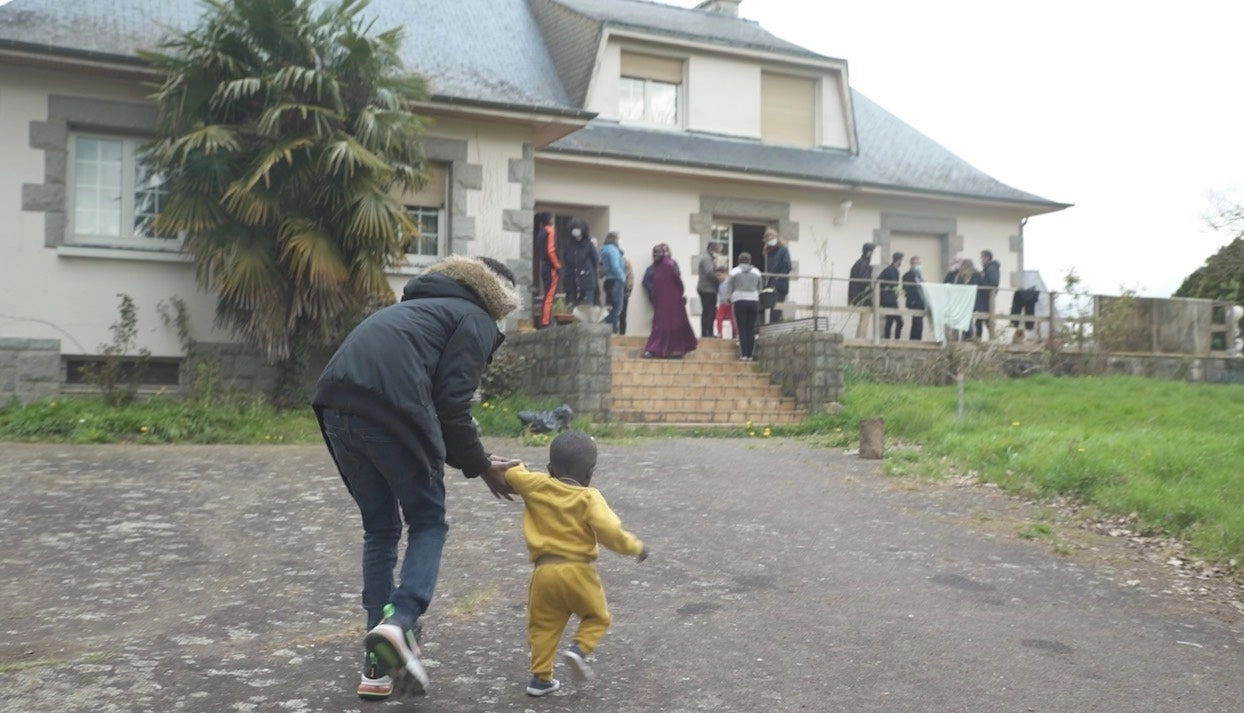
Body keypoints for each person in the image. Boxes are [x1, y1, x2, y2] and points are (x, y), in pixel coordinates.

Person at [312, 255, 521, 700]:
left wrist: (472, 460)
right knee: (428, 522)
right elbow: (452, 403)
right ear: (499, 298)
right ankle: (401, 620)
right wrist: (481, 465)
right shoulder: (475, 317)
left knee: (381, 529)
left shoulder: (409, 309)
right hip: (390, 412)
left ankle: (377, 667)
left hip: (335, 406)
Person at [501, 431, 648, 697]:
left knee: (543, 626)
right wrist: (635, 547)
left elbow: (512, 474)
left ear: (550, 469)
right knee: (597, 617)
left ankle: (540, 678)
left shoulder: (536, 484)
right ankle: (578, 650)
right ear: (590, 473)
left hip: (544, 573)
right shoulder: (590, 497)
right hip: (579, 571)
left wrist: (517, 465)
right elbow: (610, 532)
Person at [643, 243, 698, 358]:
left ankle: (675, 351)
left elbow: (678, 282)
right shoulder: (655, 268)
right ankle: (656, 349)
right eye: (654, 252)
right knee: (661, 325)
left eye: (658, 252)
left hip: (672, 302)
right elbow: (648, 282)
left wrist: (677, 295)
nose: (655, 255)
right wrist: (654, 293)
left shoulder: (669, 265)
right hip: (661, 301)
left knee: (672, 324)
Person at [728, 251, 764, 361]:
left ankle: (744, 355)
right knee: (751, 328)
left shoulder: (734, 272)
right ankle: (750, 355)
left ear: (739, 261)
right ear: (750, 261)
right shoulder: (757, 272)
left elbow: (730, 287)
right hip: (753, 300)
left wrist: (730, 298)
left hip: (739, 300)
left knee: (742, 328)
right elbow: (760, 288)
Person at [563, 218, 600, 321]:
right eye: (574, 228)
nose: (576, 231)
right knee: (572, 304)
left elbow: (595, 260)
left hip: (587, 279)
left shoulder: (588, 244)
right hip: (572, 279)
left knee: (588, 304)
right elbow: (566, 259)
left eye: (578, 228)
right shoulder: (569, 245)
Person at [599, 232, 626, 334]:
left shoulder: (603, 250)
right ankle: (613, 331)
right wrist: (622, 277)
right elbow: (615, 266)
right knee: (617, 308)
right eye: (619, 239)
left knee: (609, 308)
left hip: (608, 280)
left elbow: (602, 266)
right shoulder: (613, 250)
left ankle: (607, 330)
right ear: (615, 239)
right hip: (616, 281)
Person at [536, 213, 560, 328]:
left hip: (543, 265)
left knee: (546, 294)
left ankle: (544, 319)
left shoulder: (541, 232)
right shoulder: (551, 231)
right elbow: (551, 250)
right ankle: (545, 321)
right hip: (551, 267)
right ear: (550, 220)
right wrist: (558, 265)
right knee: (550, 295)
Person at [763, 230, 791, 323]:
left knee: (776, 309)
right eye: (768, 238)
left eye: (771, 237)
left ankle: (775, 329)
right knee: (771, 307)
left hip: (780, 284)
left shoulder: (783, 249)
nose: (769, 239)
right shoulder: (769, 252)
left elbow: (787, 265)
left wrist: (778, 276)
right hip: (771, 285)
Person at [950, 258, 983, 340]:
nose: (964, 268)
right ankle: (956, 338)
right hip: (960, 301)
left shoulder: (976, 275)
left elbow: (978, 285)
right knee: (958, 320)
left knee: (968, 320)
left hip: (970, 301)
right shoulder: (959, 275)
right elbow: (952, 283)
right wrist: (952, 269)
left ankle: (968, 338)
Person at [697, 241, 724, 338]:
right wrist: (720, 277)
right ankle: (708, 333)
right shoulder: (707, 259)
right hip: (707, 289)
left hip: (707, 288)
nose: (719, 252)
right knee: (709, 312)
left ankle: (706, 333)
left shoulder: (709, 259)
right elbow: (709, 272)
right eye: (718, 250)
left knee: (707, 311)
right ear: (712, 249)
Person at [848, 242, 875, 339]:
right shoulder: (864, 264)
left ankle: (858, 337)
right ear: (869, 252)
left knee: (862, 319)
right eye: (872, 252)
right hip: (862, 297)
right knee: (865, 319)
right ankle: (861, 338)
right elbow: (864, 281)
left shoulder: (859, 263)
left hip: (857, 296)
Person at [878, 251, 904, 340]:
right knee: (899, 322)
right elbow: (894, 285)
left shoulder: (889, 269)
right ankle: (895, 340)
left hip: (888, 298)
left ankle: (887, 339)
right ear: (898, 260)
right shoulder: (892, 270)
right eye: (901, 260)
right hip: (890, 298)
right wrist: (901, 293)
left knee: (890, 321)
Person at [977, 250, 1001, 340]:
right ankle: (992, 338)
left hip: (987, 297)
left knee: (983, 320)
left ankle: (980, 339)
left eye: (982, 257)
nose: (981, 259)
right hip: (985, 297)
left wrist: (981, 277)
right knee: (984, 320)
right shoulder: (988, 268)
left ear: (987, 257)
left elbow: (993, 283)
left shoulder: (992, 268)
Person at [902, 255, 925, 341]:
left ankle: (918, 339)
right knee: (916, 323)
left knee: (919, 323)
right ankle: (914, 340)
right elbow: (906, 289)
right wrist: (912, 301)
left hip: (921, 302)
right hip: (914, 302)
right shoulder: (907, 275)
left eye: (919, 263)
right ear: (911, 264)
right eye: (916, 263)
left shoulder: (919, 276)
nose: (918, 265)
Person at [713, 265, 736, 339]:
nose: (718, 277)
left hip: (729, 303)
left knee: (732, 319)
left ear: (724, 273)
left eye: (719, 275)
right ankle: (719, 333)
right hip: (722, 303)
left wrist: (731, 299)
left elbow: (732, 291)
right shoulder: (720, 283)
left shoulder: (729, 282)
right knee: (719, 318)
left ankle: (735, 334)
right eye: (717, 276)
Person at [619, 254, 634, 335]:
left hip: (623, 291)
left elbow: (630, 276)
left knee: (622, 316)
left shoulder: (625, 261)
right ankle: (621, 334)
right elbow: (631, 276)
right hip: (623, 290)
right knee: (622, 316)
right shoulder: (625, 261)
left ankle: (621, 335)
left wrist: (628, 290)